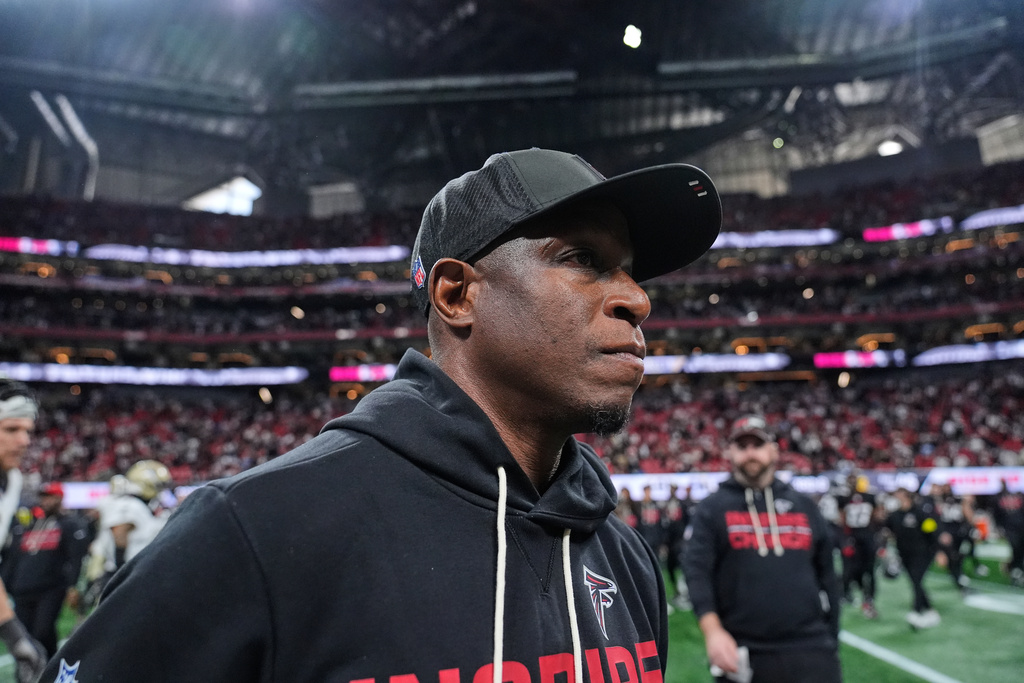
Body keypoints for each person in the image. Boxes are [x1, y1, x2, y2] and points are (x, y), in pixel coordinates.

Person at [43, 147, 722, 681]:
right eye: (582, 259)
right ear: (456, 294)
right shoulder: (255, 531)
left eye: (631, 271)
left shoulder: (622, 554)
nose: (637, 299)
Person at [683, 415, 842, 683]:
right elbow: (697, 572)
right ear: (730, 453)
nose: (750, 453)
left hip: (811, 647)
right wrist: (713, 632)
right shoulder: (711, 508)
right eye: (742, 446)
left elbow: (827, 573)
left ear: (773, 451)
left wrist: (831, 636)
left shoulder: (804, 505)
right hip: (743, 650)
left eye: (757, 445)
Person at [1, 483, 90, 658]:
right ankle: (29, 669)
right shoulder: (29, 525)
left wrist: (73, 585)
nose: (45, 501)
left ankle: (50, 664)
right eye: (43, 497)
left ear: (60, 498)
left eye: (50, 497)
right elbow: (13, 557)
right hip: (22, 588)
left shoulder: (69, 524)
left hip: (51, 588)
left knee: (43, 630)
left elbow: (75, 556)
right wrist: (7, 582)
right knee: (24, 636)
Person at [0, 378, 48, 683]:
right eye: (11, 429)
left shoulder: (12, 480)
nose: (25, 441)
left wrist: (15, 637)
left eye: (27, 431)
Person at [883, 487, 941, 629]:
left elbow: (932, 532)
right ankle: (930, 610)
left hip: (922, 553)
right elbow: (887, 531)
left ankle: (916, 610)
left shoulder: (920, 512)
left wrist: (940, 551)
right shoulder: (894, 515)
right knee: (915, 582)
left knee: (916, 579)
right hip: (904, 554)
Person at [836, 473, 881, 618]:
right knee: (855, 570)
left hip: (860, 537)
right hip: (859, 537)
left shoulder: (864, 497)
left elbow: (842, 519)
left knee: (867, 570)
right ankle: (863, 596)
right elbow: (876, 516)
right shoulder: (847, 498)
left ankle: (867, 598)